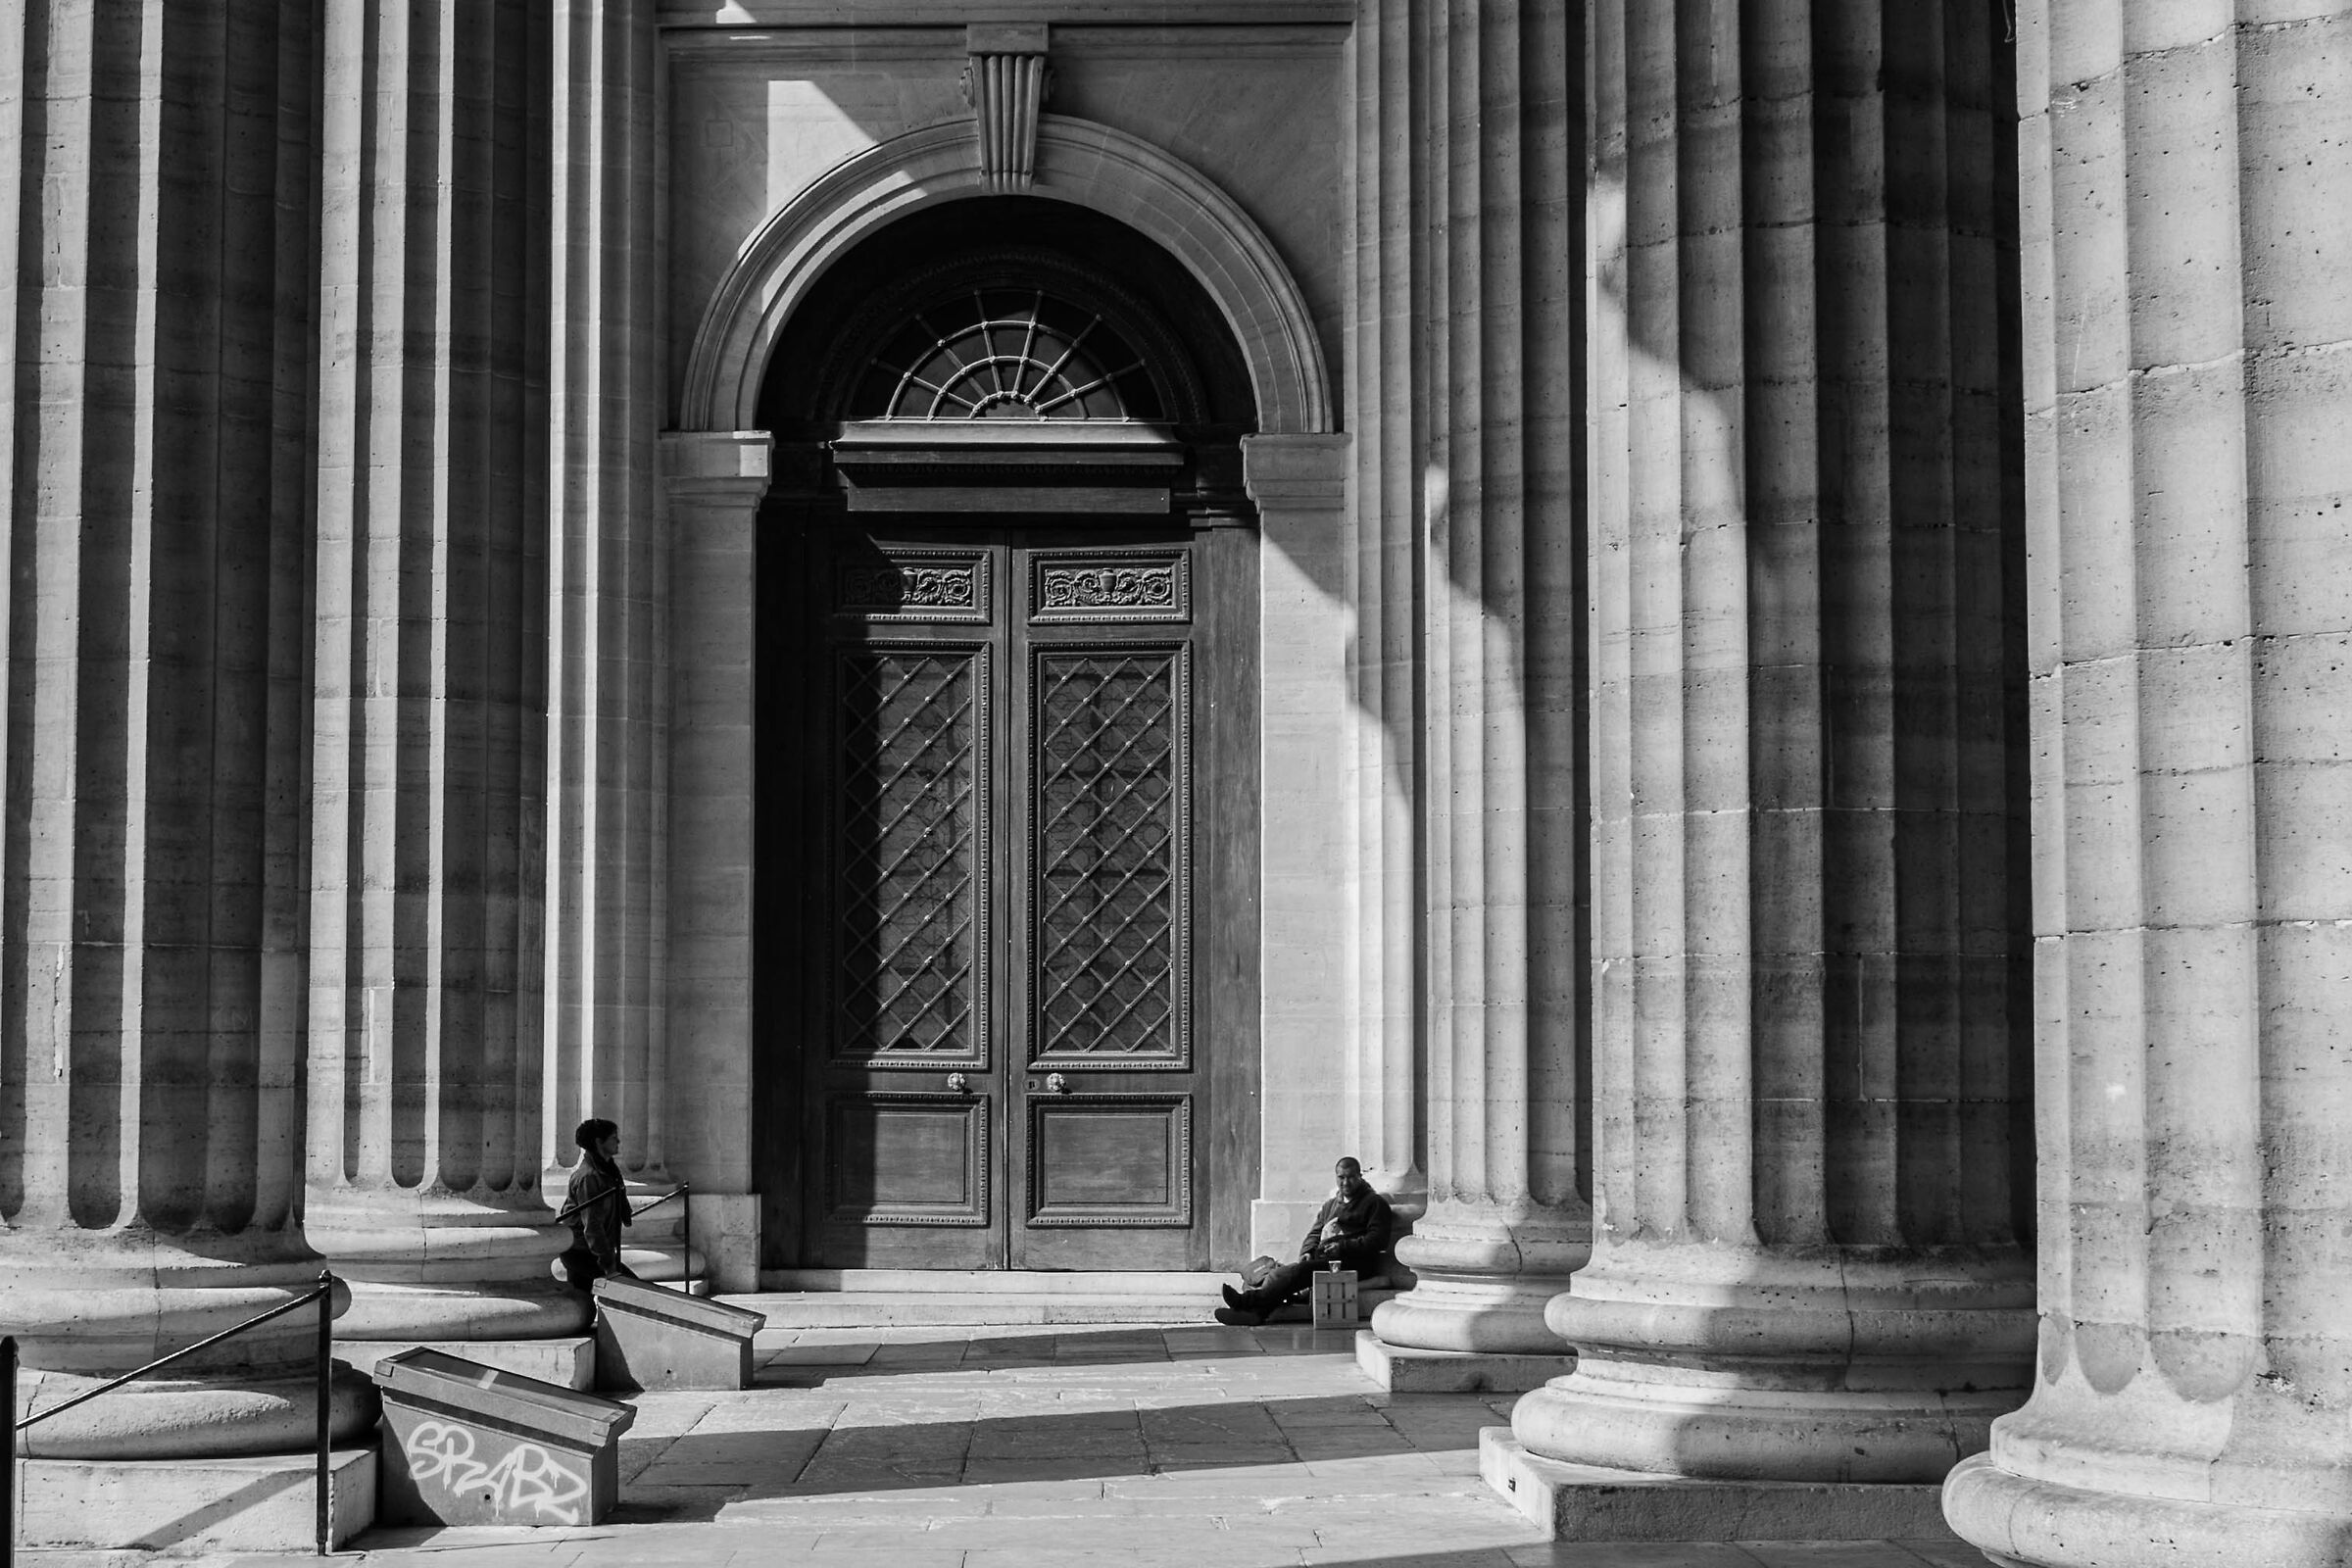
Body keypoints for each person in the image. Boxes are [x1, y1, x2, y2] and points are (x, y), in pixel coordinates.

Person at [1214, 1156, 1394, 1326]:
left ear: (1360, 1177)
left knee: (1295, 1273)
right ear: (1336, 1177)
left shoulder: (1375, 1203)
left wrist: (1342, 1247)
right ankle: (1256, 1314)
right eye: (1341, 1177)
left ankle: (1245, 1302)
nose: (1346, 1183)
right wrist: (1307, 1252)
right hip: (1325, 1259)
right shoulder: (1330, 1205)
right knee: (1283, 1274)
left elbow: (1378, 1240)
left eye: (1351, 1177)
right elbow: (1314, 1234)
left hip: (1354, 1263)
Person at [558, 1117, 639, 1293]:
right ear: (598, 1142)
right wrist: (609, 1265)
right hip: (581, 1252)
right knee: (633, 1289)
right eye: (613, 1137)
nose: (618, 1141)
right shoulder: (589, 1177)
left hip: (587, 1250)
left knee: (581, 1303)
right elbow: (592, 1225)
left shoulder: (608, 1171)